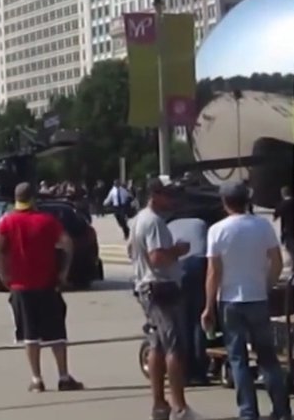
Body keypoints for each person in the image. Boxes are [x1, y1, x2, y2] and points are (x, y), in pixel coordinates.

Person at [204, 181, 290, 420]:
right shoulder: (262, 226)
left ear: (224, 202)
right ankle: (282, 410)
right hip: (257, 297)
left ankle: (248, 412)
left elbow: (213, 272)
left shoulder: (217, 230)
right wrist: (267, 284)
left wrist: (208, 306)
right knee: (268, 358)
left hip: (230, 299)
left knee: (238, 358)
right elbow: (277, 262)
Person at [0, 182, 84, 393]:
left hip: (21, 286)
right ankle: (63, 377)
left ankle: (36, 379)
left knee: (29, 335)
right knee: (57, 333)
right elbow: (67, 243)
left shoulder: (8, 221)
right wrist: (64, 271)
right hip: (48, 284)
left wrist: (4, 273)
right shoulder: (47, 221)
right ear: (33, 199)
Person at [128, 178, 202, 420]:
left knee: (157, 345)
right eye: (169, 195)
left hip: (147, 286)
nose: (173, 200)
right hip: (162, 288)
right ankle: (179, 407)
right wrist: (179, 250)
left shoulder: (138, 219)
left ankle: (160, 405)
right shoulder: (155, 222)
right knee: (174, 347)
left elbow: (131, 251)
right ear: (155, 195)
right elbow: (157, 257)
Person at [167, 214, 210, 385]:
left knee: (183, 322)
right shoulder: (201, 222)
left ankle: (186, 370)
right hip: (200, 264)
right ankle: (200, 371)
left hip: (182, 267)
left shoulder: (170, 224)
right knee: (198, 321)